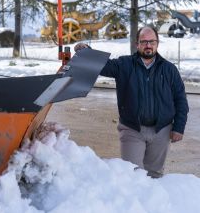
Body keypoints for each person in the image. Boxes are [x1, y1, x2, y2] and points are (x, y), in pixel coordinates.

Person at [74, 26, 189, 178]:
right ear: (137, 44)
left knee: (154, 175)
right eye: (144, 42)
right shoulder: (124, 65)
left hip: (161, 130)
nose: (148, 45)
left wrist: (179, 127)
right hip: (132, 129)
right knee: (132, 175)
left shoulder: (169, 69)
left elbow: (180, 99)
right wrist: (87, 51)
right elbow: (104, 66)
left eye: (152, 41)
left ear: (157, 43)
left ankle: (152, 202)